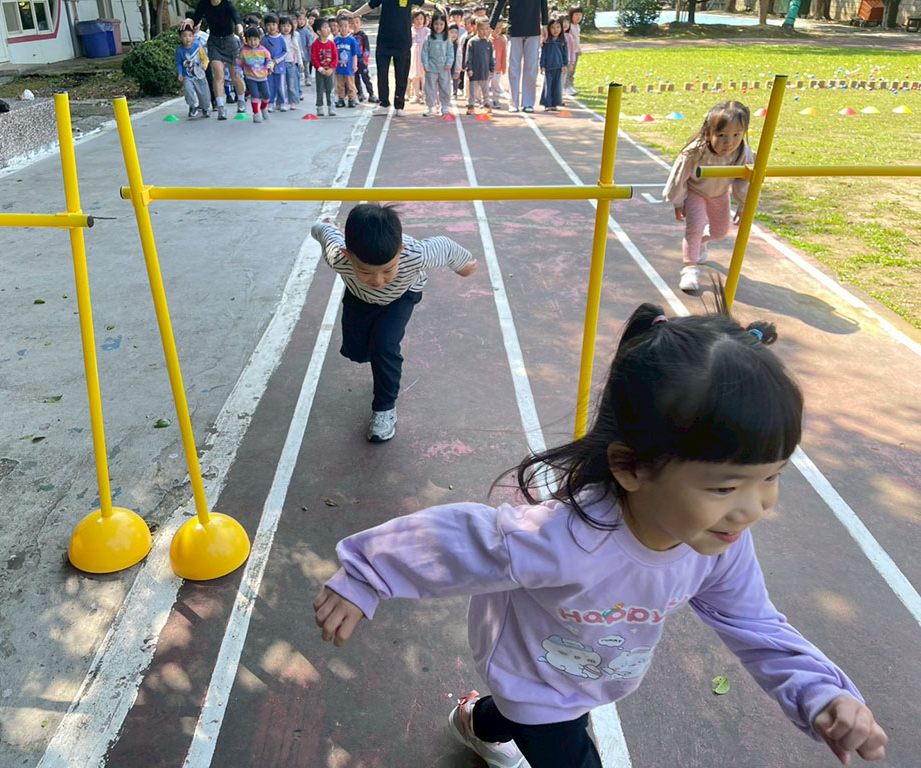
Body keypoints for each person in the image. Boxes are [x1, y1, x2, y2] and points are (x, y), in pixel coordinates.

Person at [313, 301, 890, 768]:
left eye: (771, 478)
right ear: (631, 467)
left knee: (521, 718)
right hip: (535, 682)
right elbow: (462, 535)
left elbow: (754, 621)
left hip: (587, 675)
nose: (754, 508)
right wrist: (367, 573)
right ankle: (492, 717)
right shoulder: (564, 535)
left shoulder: (718, 543)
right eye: (724, 487)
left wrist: (820, 691)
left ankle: (477, 720)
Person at [310, 204, 476, 442]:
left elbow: (446, 246)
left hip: (402, 296)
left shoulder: (416, 254)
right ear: (348, 256)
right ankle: (377, 359)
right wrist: (325, 226)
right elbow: (323, 232)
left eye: (388, 270)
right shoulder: (337, 256)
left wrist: (464, 266)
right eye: (365, 272)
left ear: (402, 251)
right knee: (357, 352)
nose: (378, 280)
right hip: (360, 298)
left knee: (384, 346)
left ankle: (384, 409)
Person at [663, 100, 755, 293]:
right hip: (696, 192)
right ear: (708, 133)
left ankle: (701, 241)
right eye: (721, 135)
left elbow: (744, 180)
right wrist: (678, 202)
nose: (728, 142)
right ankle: (690, 268)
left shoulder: (742, 152)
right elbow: (679, 177)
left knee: (720, 232)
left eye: (736, 135)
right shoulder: (694, 152)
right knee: (694, 228)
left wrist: (743, 204)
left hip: (720, 193)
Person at [348, 0, 426, 116]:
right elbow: (371, 5)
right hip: (384, 41)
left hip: (403, 42)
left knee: (401, 75)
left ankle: (399, 106)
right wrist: (354, 14)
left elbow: (422, 2)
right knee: (382, 74)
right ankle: (384, 104)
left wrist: (436, 5)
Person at [189, 0, 246, 119]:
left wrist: (241, 32)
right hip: (214, 43)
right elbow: (195, 18)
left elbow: (237, 20)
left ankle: (241, 100)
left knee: (235, 76)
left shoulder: (227, 4)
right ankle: (221, 107)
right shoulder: (204, 3)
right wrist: (188, 21)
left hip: (230, 42)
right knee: (218, 75)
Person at [490, 0, 548, 112]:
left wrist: (545, 24)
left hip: (533, 29)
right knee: (513, 67)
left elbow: (543, 3)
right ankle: (513, 103)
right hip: (515, 30)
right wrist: (491, 25)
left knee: (531, 67)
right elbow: (499, 3)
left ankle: (528, 103)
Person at [238, 26, 274, 123]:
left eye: (255, 39)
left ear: (259, 39)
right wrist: (237, 71)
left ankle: (263, 108)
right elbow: (239, 62)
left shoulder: (263, 50)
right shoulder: (244, 51)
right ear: (246, 40)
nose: (253, 42)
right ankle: (256, 113)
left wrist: (270, 67)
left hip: (263, 77)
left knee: (266, 95)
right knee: (255, 94)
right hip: (251, 77)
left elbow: (269, 60)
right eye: (250, 40)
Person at [421, 14, 454, 117]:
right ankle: (430, 106)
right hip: (431, 67)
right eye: (436, 24)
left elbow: (450, 52)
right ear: (432, 24)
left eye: (441, 24)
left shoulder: (447, 38)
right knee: (430, 88)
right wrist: (425, 63)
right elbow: (424, 52)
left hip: (444, 68)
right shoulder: (429, 38)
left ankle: (444, 106)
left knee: (445, 88)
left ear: (445, 25)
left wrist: (449, 63)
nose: (438, 26)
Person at [176, 25, 212, 118]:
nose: (187, 38)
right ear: (180, 37)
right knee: (188, 90)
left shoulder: (198, 46)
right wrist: (180, 73)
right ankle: (192, 106)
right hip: (187, 75)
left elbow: (205, 58)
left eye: (190, 35)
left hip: (199, 74)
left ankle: (205, 108)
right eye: (184, 36)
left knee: (204, 93)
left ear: (193, 36)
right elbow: (178, 62)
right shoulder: (179, 50)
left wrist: (205, 64)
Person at [465, 18, 495, 114]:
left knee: (485, 91)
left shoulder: (488, 43)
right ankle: (471, 106)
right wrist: (469, 68)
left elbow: (490, 57)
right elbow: (469, 56)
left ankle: (486, 105)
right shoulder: (472, 42)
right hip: (474, 71)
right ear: (476, 28)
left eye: (487, 29)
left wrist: (491, 69)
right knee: (473, 92)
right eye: (482, 29)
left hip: (484, 71)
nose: (484, 31)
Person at [310, 16, 338, 117]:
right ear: (319, 32)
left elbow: (335, 57)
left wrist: (332, 68)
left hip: (330, 71)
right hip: (320, 71)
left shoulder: (331, 44)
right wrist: (320, 69)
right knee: (320, 89)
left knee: (330, 90)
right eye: (325, 27)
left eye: (328, 27)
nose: (328, 29)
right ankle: (319, 107)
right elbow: (314, 58)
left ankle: (331, 107)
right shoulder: (315, 45)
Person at [538, 16, 567, 110]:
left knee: (556, 86)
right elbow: (543, 54)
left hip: (558, 67)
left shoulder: (562, 41)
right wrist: (542, 65)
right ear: (549, 29)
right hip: (549, 67)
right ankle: (548, 104)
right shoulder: (546, 41)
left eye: (558, 27)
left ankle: (555, 103)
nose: (556, 30)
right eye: (553, 28)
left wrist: (565, 65)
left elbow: (565, 54)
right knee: (548, 85)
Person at [261, 14, 288, 112]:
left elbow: (285, 51)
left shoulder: (281, 38)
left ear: (277, 25)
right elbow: (261, 51)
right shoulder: (264, 39)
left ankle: (282, 102)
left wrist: (277, 60)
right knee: (270, 86)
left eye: (273, 24)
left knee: (281, 86)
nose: (271, 27)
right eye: (268, 25)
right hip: (268, 67)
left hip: (280, 66)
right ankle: (270, 102)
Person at [333, 15, 361, 108]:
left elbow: (354, 54)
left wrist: (355, 65)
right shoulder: (336, 40)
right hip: (339, 66)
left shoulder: (352, 40)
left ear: (349, 26)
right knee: (340, 84)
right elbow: (334, 54)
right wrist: (333, 65)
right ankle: (341, 99)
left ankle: (352, 98)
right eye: (341, 26)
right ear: (338, 27)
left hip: (349, 67)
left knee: (350, 84)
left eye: (345, 26)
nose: (343, 28)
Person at [351, 16, 377, 104]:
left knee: (365, 77)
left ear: (361, 24)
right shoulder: (350, 37)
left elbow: (367, 48)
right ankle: (360, 93)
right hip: (354, 61)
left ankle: (371, 94)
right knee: (356, 78)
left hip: (362, 60)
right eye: (352, 23)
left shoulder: (363, 35)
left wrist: (366, 59)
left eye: (357, 22)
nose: (355, 25)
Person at [280, 16, 304, 110]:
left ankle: (293, 102)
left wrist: (300, 63)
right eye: (283, 26)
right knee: (281, 84)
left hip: (291, 63)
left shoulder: (294, 37)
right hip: (280, 63)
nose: (286, 28)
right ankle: (282, 101)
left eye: (288, 26)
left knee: (292, 84)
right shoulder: (279, 37)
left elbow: (297, 51)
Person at [408, 9, 429, 105]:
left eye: (421, 19)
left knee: (424, 76)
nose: (419, 21)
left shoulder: (427, 31)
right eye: (417, 19)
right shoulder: (410, 30)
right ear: (412, 19)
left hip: (424, 55)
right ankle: (416, 95)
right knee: (415, 76)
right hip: (414, 55)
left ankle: (425, 95)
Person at [489, 19, 508, 108]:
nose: (497, 30)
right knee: (484, 85)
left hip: (497, 68)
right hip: (487, 68)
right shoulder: (487, 39)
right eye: (496, 27)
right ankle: (484, 100)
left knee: (496, 84)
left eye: (500, 28)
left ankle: (496, 100)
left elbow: (503, 55)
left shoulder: (502, 40)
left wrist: (504, 67)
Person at [564, 7, 583, 95]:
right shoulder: (570, 26)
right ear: (571, 15)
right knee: (568, 70)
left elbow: (577, 39)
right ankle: (566, 86)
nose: (578, 17)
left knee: (573, 70)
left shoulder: (577, 26)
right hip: (569, 52)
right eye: (576, 15)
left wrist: (579, 49)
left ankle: (571, 85)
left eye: (580, 15)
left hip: (575, 51)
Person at [297, 11, 315, 87]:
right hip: (297, 52)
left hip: (305, 51)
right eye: (299, 19)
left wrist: (310, 44)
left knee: (306, 66)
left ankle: (308, 78)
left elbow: (310, 40)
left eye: (303, 20)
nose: (301, 21)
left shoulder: (306, 31)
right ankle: (298, 78)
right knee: (298, 66)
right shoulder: (294, 31)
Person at [448, 24, 463, 100]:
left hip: (455, 64)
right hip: (447, 65)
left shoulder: (457, 45)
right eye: (451, 32)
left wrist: (458, 70)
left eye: (456, 32)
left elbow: (459, 57)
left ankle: (454, 92)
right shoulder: (445, 44)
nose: (454, 34)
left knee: (455, 78)